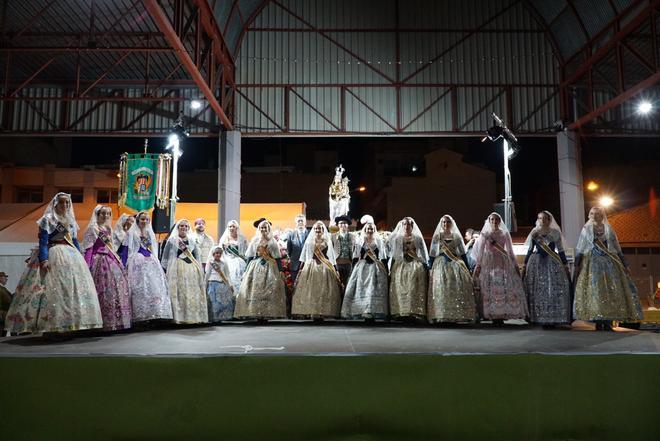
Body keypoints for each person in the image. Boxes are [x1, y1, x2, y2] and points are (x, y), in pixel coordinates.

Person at [4, 192, 103, 334]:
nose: (65, 205)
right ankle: (51, 326)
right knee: (53, 290)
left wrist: (81, 257)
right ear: (55, 204)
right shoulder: (48, 219)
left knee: (70, 291)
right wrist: (44, 259)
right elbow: (43, 241)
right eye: (62, 202)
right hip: (54, 253)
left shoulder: (70, 220)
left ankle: (70, 324)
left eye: (67, 203)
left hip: (71, 257)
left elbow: (74, 241)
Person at [573, 206, 643, 331]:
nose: (595, 216)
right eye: (592, 213)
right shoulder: (586, 229)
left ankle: (608, 321)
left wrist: (625, 264)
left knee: (611, 291)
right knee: (596, 292)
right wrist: (577, 265)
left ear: (602, 215)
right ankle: (598, 321)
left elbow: (617, 248)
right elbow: (580, 248)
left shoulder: (608, 228)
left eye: (598, 214)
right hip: (592, 264)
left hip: (610, 263)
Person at [471, 212, 528, 324]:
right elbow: (481, 251)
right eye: (492, 220)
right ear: (489, 221)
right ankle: (491, 314)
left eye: (496, 220)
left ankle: (501, 313)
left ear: (499, 221)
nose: (494, 222)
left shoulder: (504, 234)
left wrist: (515, 265)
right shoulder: (485, 234)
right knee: (489, 286)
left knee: (503, 285)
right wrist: (478, 266)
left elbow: (510, 251)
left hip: (502, 261)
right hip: (489, 261)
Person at [83, 205, 132, 331]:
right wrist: (87, 265)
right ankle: (99, 322)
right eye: (103, 214)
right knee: (101, 290)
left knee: (113, 289)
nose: (105, 216)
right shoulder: (93, 228)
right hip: (97, 259)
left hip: (109, 258)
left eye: (108, 214)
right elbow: (89, 248)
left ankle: (113, 321)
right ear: (97, 214)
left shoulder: (108, 228)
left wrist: (116, 259)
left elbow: (111, 247)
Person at [522, 211, 572, 326]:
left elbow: (560, 250)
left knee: (552, 289)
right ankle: (538, 317)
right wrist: (525, 264)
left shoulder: (555, 233)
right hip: (536, 263)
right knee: (537, 290)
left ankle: (553, 316)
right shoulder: (535, 233)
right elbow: (530, 249)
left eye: (545, 218)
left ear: (549, 220)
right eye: (540, 218)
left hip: (552, 262)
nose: (542, 220)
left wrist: (565, 265)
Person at [234, 220, 287, 320]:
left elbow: (277, 257)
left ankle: (266, 313)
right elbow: (249, 256)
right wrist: (246, 270)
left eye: (265, 228)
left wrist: (280, 270)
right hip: (255, 265)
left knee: (269, 288)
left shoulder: (273, 241)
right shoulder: (255, 240)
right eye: (261, 228)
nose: (263, 229)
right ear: (259, 229)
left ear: (268, 229)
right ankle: (255, 312)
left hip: (270, 266)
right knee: (255, 289)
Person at [126, 211, 173, 323]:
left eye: (147, 219)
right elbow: (127, 249)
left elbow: (152, 247)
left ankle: (155, 313)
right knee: (140, 288)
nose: (145, 221)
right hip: (137, 261)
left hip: (150, 260)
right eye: (142, 219)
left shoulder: (149, 233)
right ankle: (141, 315)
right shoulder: (131, 233)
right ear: (138, 220)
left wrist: (154, 259)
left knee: (154, 286)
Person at [427, 215, 476, 323]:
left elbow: (462, 253)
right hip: (440, 264)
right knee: (441, 288)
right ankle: (441, 314)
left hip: (455, 263)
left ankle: (456, 314)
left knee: (456, 286)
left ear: (451, 223)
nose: (446, 224)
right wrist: (430, 267)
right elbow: (432, 253)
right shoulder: (437, 237)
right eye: (444, 222)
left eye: (448, 222)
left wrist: (467, 268)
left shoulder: (456, 237)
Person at [292, 221, 342, 319]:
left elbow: (331, 257)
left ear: (323, 230)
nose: (317, 230)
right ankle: (312, 312)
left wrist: (336, 270)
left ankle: (322, 312)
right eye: (315, 229)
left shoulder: (327, 241)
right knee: (310, 290)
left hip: (324, 267)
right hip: (311, 267)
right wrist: (300, 269)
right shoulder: (309, 241)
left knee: (324, 291)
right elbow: (304, 257)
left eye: (319, 228)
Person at [161, 219, 208, 324]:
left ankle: (192, 317)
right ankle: (179, 317)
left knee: (191, 292)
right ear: (178, 228)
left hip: (191, 269)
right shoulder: (172, 240)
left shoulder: (192, 241)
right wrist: (164, 270)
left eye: (186, 226)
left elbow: (196, 256)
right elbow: (165, 257)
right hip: (176, 268)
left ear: (188, 228)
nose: (183, 228)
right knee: (179, 291)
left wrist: (199, 269)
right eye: (181, 226)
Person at [341, 218, 389, 321]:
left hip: (375, 267)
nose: (370, 231)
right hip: (362, 267)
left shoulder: (379, 241)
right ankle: (362, 310)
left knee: (373, 288)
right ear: (365, 229)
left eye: (371, 229)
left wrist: (386, 269)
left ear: (374, 230)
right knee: (361, 289)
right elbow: (355, 256)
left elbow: (383, 256)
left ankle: (372, 311)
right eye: (368, 229)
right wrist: (353, 269)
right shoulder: (360, 240)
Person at [388, 217, 429, 321]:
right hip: (401, 265)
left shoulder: (417, 238)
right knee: (401, 288)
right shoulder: (398, 239)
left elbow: (423, 254)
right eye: (405, 224)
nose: (407, 226)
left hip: (415, 265)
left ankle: (414, 312)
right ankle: (401, 312)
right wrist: (391, 268)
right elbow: (395, 254)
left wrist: (426, 266)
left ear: (412, 226)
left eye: (409, 224)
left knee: (413, 288)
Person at [204, 245, 235, 322]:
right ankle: (214, 318)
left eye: (219, 253)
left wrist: (230, 284)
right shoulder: (210, 263)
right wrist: (204, 285)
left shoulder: (224, 263)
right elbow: (207, 274)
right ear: (213, 254)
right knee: (214, 302)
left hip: (222, 283)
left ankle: (223, 317)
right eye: (216, 253)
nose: (218, 254)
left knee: (224, 301)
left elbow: (227, 274)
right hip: (213, 283)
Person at [219, 220, 249, 295]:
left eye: (233, 226)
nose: (231, 228)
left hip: (240, 261)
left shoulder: (242, 238)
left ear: (237, 228)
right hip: (228, 261)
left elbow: (246, 251)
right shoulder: (224, 239)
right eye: (230, 227)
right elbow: (221, 251)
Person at [331, 215, 355, 295]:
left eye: (345, 223)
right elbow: (330, 251)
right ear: (338, 225)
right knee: (337, 284)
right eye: (341, 223)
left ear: (348, 225)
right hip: (337, 263)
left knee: (348, 284)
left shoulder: (352, 236)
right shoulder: (333, 236)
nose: (343, 225)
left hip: (348, 263)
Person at [286, 214, 309, 283]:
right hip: (295, 264)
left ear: (305, 223)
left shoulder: (310, 234)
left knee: (306, 284)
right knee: (295, 284)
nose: (300, 223)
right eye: (298, 221)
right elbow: (289, 250)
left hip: (307, 264)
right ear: (296, 223)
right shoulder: (291, 235)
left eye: (302, 221)